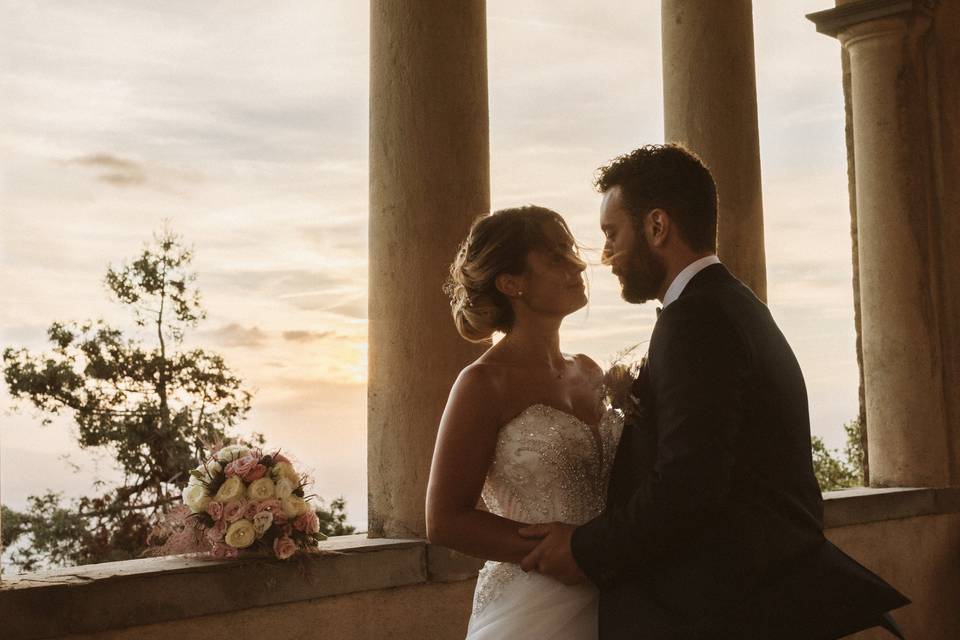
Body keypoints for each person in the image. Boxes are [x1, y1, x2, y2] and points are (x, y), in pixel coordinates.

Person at [518, 144, 910, 639]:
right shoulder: (735, 303)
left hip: (728, 608)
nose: (606, 256)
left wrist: (583, 548)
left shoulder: (697, 319)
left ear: (657, 227)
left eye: (612, 234)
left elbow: (689, 481)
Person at [426, 205, 622, 639]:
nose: (577, 264)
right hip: (535, 606)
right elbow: (445, 518)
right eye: (555, 256)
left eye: (569, 250)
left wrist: (599, 553)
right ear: (511, 283)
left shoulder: (589, 371)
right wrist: (561, 551)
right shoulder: (483, 383)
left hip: (618, 597)